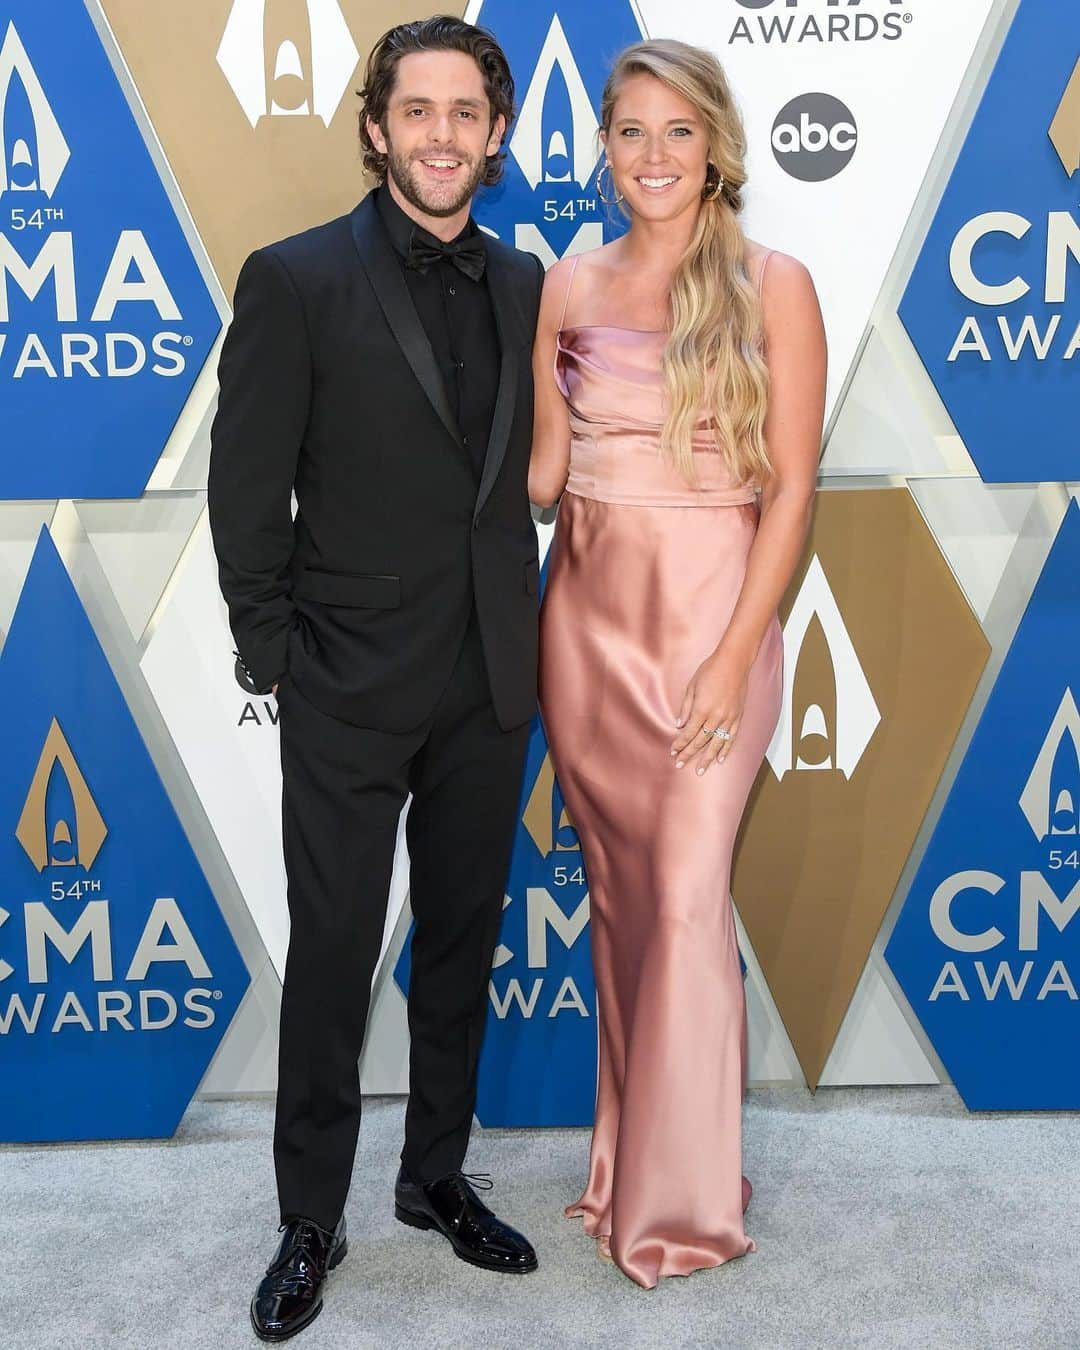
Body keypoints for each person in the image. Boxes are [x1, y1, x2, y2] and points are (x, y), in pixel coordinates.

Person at [208, 17, 545, 1342]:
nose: (443, 136)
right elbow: (248, 484)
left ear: (496, 134)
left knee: (462, 938)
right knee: (337, 953)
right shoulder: (294, 280)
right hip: (346, 679)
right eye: (419, 112)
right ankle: (310, 1216)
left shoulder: (526, 282)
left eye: (467, 113)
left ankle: (435, 1174)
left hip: (487, 675)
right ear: (375, 127)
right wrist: (276, 649)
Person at [529, 39, 827, 1289]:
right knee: (625, 903)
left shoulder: (773, 281)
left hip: (714, 630)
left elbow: (794, 489)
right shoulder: (564, 282)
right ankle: (623, 1166)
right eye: (631, 133)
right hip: (586, 630)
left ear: (717, 147)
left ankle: (685, 1206)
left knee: (693, 901)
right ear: (604, 145)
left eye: (679, 133)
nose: (654, 157)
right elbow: (543, 477)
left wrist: (736, 654)